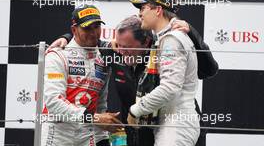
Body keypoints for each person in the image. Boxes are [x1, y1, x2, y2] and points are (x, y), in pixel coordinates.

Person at [49, 14, 218, 146]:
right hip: (137, 134)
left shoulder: (164, 54)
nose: (121, 52)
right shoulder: (114, 53)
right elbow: (88, 40)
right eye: (119, 45)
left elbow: (209, 70)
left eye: (127, 47)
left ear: (146, 42)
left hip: (173, 128)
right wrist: (66, 37)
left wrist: (193, 33)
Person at [127, 0, 202, 145]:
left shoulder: (171, 40)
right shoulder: (164, 38)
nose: (140, 13)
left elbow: (170, 87)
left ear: (158, 10)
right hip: (173, 123)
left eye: (143, 8)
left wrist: (136, 110)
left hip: (176, 126)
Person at [41, 5, 123, 146]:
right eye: (87, 28)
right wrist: (95, 118)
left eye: (96, 26)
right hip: (59, 133)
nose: (93, 33)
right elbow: (54, 101)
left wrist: (102, 129)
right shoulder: (58, 55)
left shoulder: (104, 55)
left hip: (89, 133)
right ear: (74, 30)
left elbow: (100, 102)